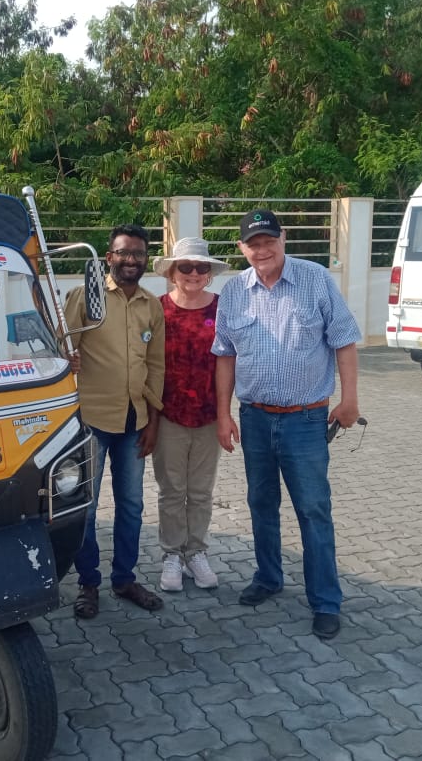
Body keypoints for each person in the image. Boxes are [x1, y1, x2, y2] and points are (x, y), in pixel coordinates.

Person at [212, 209, 361, 640]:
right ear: (242, 249)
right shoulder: (234, 292)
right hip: (254, 417)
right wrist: (223, 414)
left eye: (268, 241)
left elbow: (345, 341)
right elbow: (224, 355)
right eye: (252, 243)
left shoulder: (315, 280)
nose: (262, 250)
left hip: (306, 419)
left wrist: (349, 399)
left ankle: (326, 601)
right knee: (261, 504)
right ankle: (269, 577)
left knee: (313, 510)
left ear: (283, 239)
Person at [64, 224, 166, 620]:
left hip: (135, 422)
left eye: (138, 254)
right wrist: (66, 359)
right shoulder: (86, 297)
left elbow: (156, 365)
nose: (131, 260)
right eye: (124, 253)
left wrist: (153, 420)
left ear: (145, 260)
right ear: (109, 257)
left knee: (132, 505)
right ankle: (88, 583)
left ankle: (124, 578)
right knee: (85, 509)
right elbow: (61, 343)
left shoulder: (150, 305)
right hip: (90, 420)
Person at [149, 237, 228, 592]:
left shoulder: (222, 309)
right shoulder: (157, 310)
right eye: (186, 267)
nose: (194, 273)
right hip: (168, 414)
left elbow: (230, 361)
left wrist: (226, 414)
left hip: (210, 414)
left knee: (200, 491)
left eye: (201, 267)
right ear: (172, 272)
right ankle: (171, 555)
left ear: (209, 273)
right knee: (171, 490)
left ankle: (195, 551)